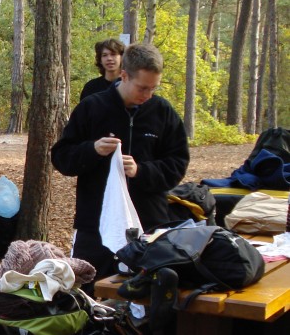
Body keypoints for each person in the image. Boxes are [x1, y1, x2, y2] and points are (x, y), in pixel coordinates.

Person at [51, 43, 190, 293]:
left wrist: (141, 171)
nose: (147, 95)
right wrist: (91, 150)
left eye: (153, 88)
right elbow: (61, 158)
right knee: (89, 296)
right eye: (142, 88)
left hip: (149, 223)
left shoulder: (163, 112)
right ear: (124, 76)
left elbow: (177, 164)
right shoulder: (92, 107)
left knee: (145, 302)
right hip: (95, 224)